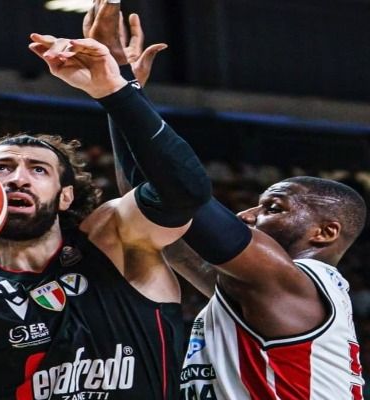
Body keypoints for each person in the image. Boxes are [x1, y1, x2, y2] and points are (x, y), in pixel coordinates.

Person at [0, 6, 213, 399]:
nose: (18, 178)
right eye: (2, 168)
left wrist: (116, 90)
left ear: (66, 196)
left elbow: (184, 192)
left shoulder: (114, 242)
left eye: (39, 169)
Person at [88, 3, 368, 398]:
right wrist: (121, 85)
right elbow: (155, 205)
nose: (247, 214)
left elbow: (179, 195)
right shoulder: (259, 290)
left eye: (273, 208)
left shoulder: (284, 282)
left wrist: (118, 89)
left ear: (325, 232)